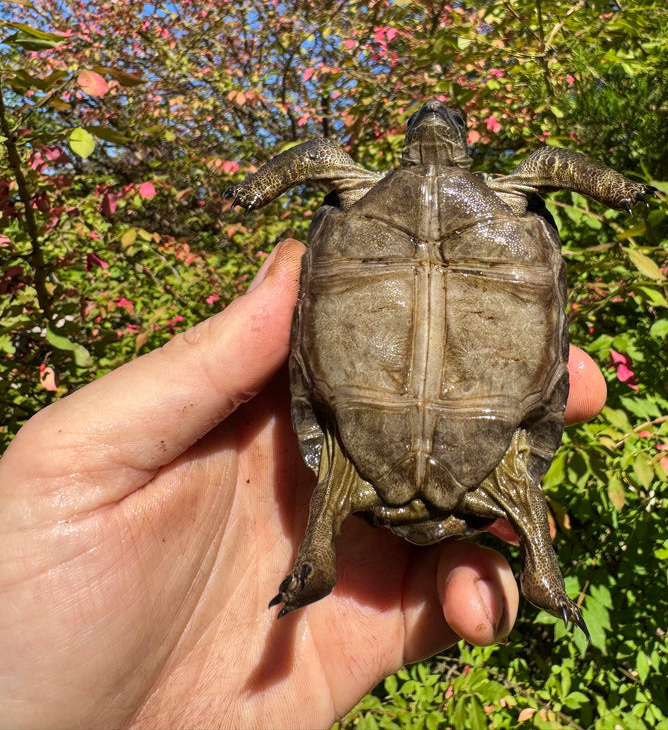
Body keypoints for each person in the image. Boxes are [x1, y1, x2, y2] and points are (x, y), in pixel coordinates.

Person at [0, 240, 606, 730]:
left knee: (338, 489)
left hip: (366, 465)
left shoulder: (357, 202)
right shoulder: (510, 203)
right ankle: (543, 583)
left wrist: (256, 188)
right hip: (473, 466)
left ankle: (329, 571)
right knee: (513, 501)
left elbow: (315, 160)